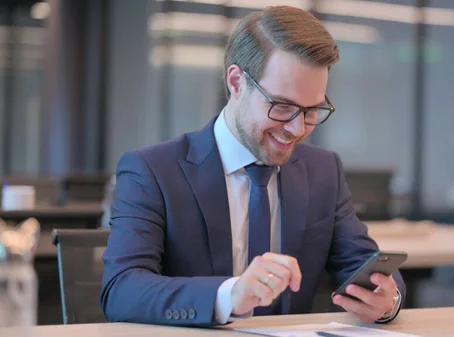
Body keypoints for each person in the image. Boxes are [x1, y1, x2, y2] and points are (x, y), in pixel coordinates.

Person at [100, 5, 406, 327]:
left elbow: (364, 266)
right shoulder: (152, 171)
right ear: (236, 83)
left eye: (312, 110)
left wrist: (386, 300)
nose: (297, 128)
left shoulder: (323, 170)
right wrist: (229, 295)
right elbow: (121, 291)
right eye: (282, 106)